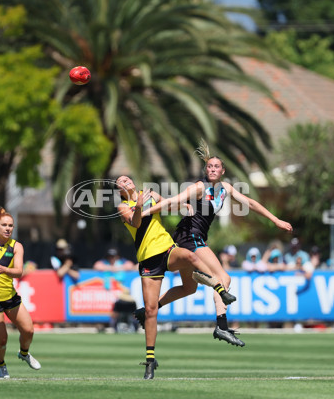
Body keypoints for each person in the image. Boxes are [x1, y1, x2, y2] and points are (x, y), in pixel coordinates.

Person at [137, 140, 292, 348]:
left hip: (192, 238)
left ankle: (146, 310)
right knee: (223, 278)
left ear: (223, 171)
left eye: (216, 166)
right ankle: (221, 326)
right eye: (209, 166)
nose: (212, 169)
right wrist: (146, 211)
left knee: (189, 288)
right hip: (189, 237)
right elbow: (174, 201)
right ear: (205, 170)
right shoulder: (199, 187)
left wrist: (275, 220)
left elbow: (251, 203)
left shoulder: (225, 189)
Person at [115, 175, 236, 379]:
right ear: (119, 191)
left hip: (167, 248)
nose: (126, 182)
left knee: (189, 255)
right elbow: (136, 224)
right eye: (121, 182)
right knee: (151, 311)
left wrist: (183, 206)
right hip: (148, 259)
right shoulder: (123, 206)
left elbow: (167, 206)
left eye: (127, 179)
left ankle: (220, 289)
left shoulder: (149, 193)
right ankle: (150, 361)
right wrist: (138, 206)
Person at [0, 207, 42, 379]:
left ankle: (24, 353)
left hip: (10, 297)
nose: (8, 228)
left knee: (28, 331)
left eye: (11, 226)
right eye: (4, 225)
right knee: (2, 340)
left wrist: (4, 269)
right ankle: (1, 366)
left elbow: (19, 271)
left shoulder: (16, 246)